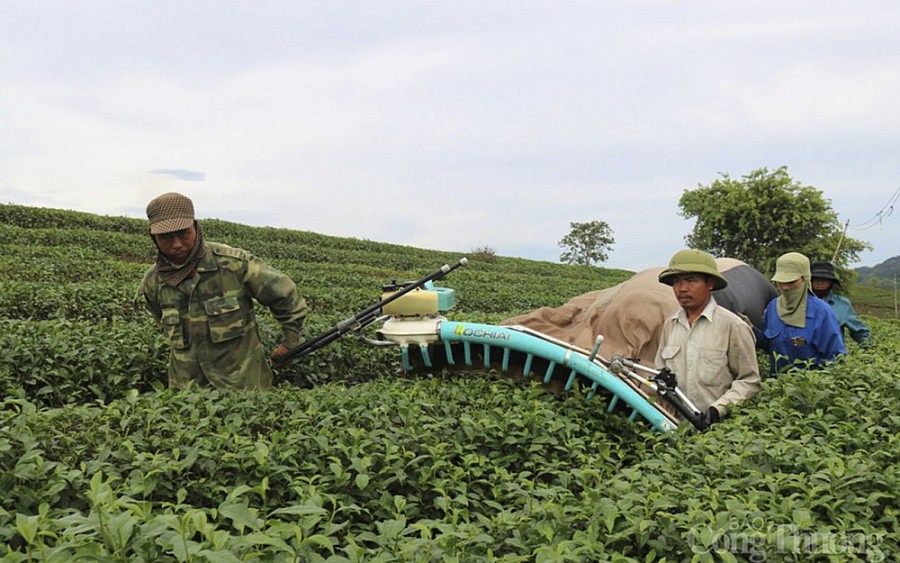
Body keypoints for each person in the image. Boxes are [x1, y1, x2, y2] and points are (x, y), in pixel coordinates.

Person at [140, 192, 308, 390]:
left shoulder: (233, 264)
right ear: (154, 238)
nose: (177, 244)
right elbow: (160, 320)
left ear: (196, 227)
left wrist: (290, 342)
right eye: (166, 238)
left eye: (183, 233)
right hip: (187, 396)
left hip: (244, 388)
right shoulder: (153, 282)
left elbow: (285, 295)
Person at [655, 249, 761, 428]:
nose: (682, 289)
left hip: (719, 432)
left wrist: (717, 410)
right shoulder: (670, 325)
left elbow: (749, 381)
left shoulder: (732, 326)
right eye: (676, 282)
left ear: (710, 284)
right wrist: (662, 380)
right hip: (675, 428)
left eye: (691, 280)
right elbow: (660, 368)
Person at [755, 252, 845, 374]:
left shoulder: (821, 312)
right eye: (781, 282)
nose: (785, 287)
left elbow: (835, 358)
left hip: (808, 387)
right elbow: (769, 345)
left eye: (791, 282)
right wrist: (751, 329)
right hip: (777, 387)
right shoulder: (773, 308)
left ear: (805, 279)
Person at [810, 260, 872, 348]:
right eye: (816, 279)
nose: (820, 282)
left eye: (824, 279)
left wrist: (869, 351)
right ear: (810, 281)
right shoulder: (801, 302)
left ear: (831, 282)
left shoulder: (842, 304)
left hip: (834, 357)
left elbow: (859, 332)